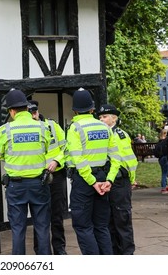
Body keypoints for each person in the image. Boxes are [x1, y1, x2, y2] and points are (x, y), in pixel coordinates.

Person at [65, 88, 120, 255]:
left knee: (83, 226)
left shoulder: (75, 128)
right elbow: (116, 158)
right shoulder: (104, 127)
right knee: (101, 226)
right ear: (92, 109)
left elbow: (78, 159)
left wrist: (92, 182)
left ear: (74, 110)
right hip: (103, 179)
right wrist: (108, 181)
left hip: (84, 182)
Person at [0, 89, 52, 255]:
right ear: (27, 109)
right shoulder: (42, 127)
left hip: (16, 186)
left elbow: (1, 155)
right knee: (42, 227)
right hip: (39, 184)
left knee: (18, 229)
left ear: (12, 111)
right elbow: (48, 149)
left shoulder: (5, 130)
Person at [28, 100, 68, 255]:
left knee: (57, 216)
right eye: (29, 113)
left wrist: (57, 160)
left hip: (56, 176)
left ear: (38, 111)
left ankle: (60, 251)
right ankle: (41, 252)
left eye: (34, 112)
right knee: (39, 217)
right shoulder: (25, 129)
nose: (33, 115)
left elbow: (66, 147)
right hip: (37, 178)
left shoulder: (52, 125)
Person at [97, 104, 138, 255]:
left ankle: (127, 254)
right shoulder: (103, 133)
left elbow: (128, 161)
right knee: (109, 221)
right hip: (108, 182)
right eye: (100, 117)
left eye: (105, 117)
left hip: (119, 182)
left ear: (114, 118)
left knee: (122, 220)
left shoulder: (119, 135)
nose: (101, 119)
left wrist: (132, 179)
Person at [157, 129, 168, 194]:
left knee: (164, 172)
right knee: (165, 173)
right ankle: (164, 188)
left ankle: (164, 187)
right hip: (166, 157)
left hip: (161, 158)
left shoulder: (159, 141)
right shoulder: (166, 141)